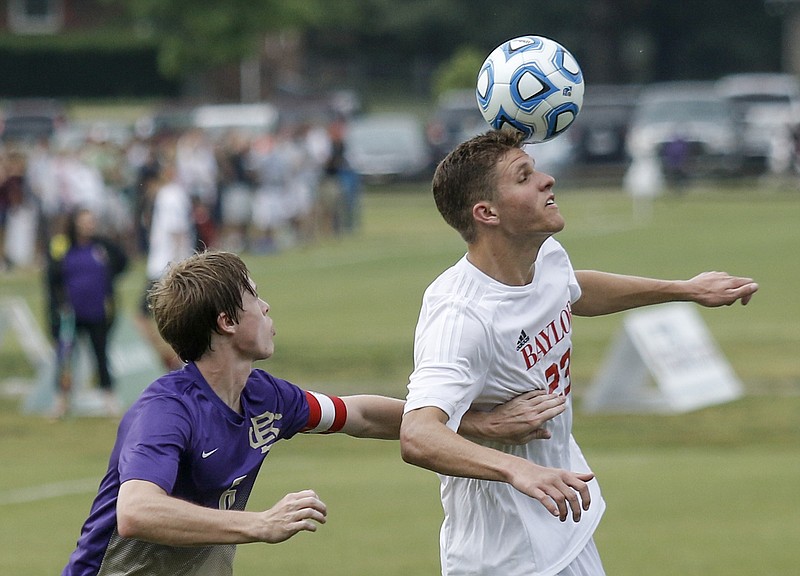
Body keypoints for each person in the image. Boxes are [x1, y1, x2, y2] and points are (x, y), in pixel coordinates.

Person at [61, 250, 574, 576]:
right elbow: (136, 512)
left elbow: (359, 415)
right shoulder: (165, 410)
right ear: (225, 321)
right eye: (254, 297)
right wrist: (259, 523)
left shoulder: (265, 396)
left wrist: (472, 424)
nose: (266, 308)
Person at [399, 129, 759, 576]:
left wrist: (684, 289)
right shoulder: (461, 318)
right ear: (486, 212)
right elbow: (417, 435)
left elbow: (572, 290)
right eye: (524, 176)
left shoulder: (545, 256)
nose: (547, 180)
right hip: (503, 553)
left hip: (563, 524)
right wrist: (517, 469)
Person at [46, 207, 129, 418]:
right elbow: (52, 278)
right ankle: (61, 402)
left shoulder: (101, 246)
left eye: (91, 221)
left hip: (97, 311)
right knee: (65, 358)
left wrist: (108, 284)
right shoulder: (62, 246)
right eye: (84, 221)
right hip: (70, 313)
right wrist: (58, 306)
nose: (88, 225)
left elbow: (122, 261)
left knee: (100, 355)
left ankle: (110, 400)